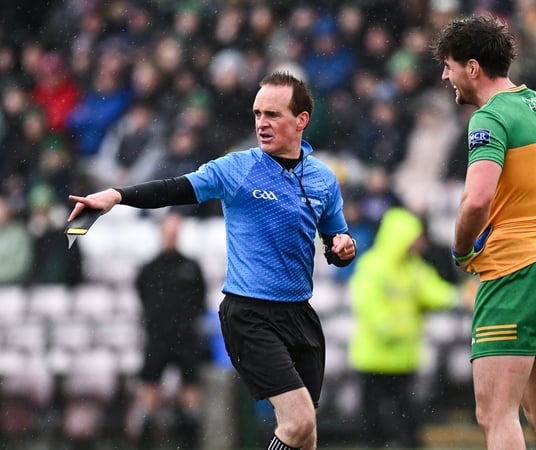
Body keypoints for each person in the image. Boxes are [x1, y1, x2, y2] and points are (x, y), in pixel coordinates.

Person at [67, 71, 358, 450]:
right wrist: (118, 196)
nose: (262, 123)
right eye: (257, 114)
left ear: (301, 120)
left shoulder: (323, 179)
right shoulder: (237, 168)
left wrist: (343, 249)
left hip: (300, 316)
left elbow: (336, 241)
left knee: (305, 436)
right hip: (250, 314)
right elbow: (174, 188)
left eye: (273, 114)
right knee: (298, 422)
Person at [431, 14, 536, 450]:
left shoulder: (490, 118)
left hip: (514, 274)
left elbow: (477, 199)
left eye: (449, 66)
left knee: (496, 414)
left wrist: (461, 250)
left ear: (472, 68)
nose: (445, 77)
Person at [348, 206, 460, 448]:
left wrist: (459, 297)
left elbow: (434, 292)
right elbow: (366, 302)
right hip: (374, 357)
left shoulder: (414, 268)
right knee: (373, 416)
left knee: (406, 412)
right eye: (415, 237)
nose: (420, 243)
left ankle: (407, 443)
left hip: (403, 356)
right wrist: (389, 328)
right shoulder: (373, 266)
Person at [125, 212, 206, 449]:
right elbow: (143, 297)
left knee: (190, 390)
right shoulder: (149, 268)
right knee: (149, 389)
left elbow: (200, 300)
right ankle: (146, 442)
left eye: (174, 231)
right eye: (167, 231)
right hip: (157, 338)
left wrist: (184, 322)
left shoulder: (191, 266)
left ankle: (191, 442)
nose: (171, 236)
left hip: (185, 339)